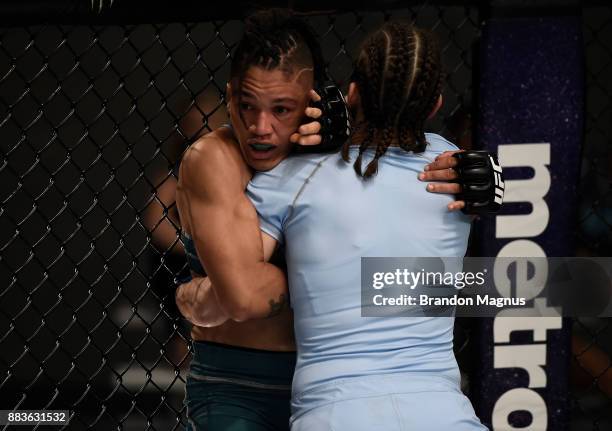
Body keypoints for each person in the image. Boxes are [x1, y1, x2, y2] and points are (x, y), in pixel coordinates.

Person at [175, 10, 495, 431]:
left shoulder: (436, 166)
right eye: (247, 105)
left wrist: (492, 178)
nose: (261, 128)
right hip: (246, 383)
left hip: (333, 397)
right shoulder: (216, 158)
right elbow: (244, 298)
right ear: (231, 95)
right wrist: (359, 283)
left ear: (325, 97)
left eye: (282, 109)